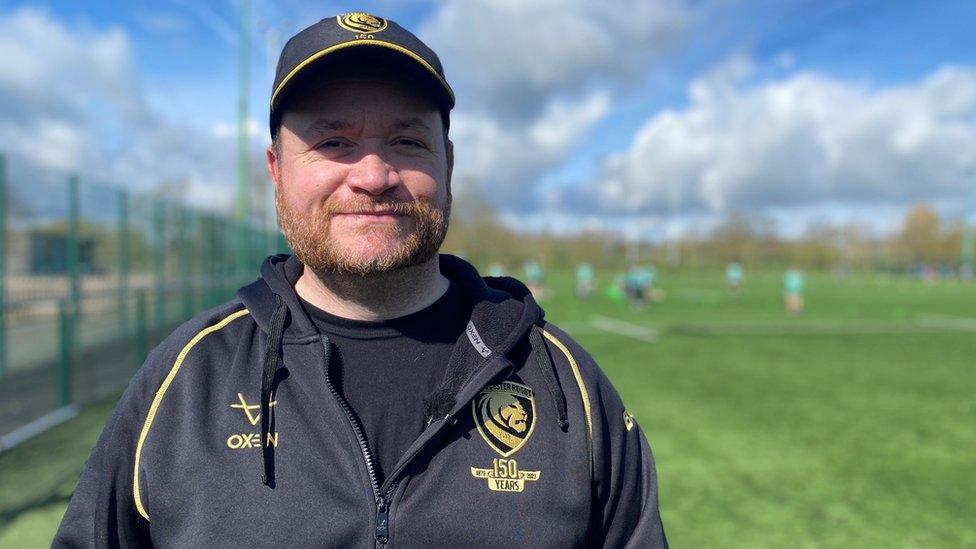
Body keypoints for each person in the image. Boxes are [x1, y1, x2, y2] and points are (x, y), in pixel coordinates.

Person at [54, 12, 666, 548]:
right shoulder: (183, 384)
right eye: (333, 142)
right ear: (276, 170)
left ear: (447, 164)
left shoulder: (568, 389)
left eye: (406, 140)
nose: (373, 175)